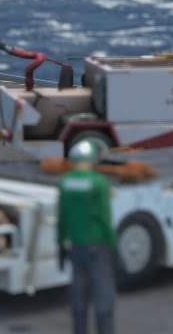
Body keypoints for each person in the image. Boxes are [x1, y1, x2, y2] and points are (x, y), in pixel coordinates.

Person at [56, 140, 116, 334]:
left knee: (78, 297)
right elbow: (105, 220)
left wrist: (60, 243)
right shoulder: (99, 183)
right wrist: (114, 247)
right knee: (103, 298)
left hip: (76, 246)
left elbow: (62, 217)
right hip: (97, 245)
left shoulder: (65, 183)